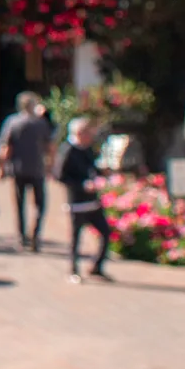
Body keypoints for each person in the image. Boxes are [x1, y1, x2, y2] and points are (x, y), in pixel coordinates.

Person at [56, 114, 112, 283]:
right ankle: (73, 270)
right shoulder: (68, 150)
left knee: (106, 232)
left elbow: (91, 169)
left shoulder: (88, 149)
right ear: (79, 133)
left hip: (92, 201)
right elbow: (60, 176)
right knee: (76, 237)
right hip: (77, 202)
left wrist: (102, 173)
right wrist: (81, 185)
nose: (90, 137)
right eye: (88, 133)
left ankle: (97, 267)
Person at [0, 90, 51, 250]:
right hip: (37, 169)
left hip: (18, 168)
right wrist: (50, 165)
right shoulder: (41, 123)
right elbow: (50, 146)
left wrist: (1, 167)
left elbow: (6, 147)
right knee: (40, 204)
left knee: (20, 204)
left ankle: (22, 237)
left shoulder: (12, 122)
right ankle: (35, 235)